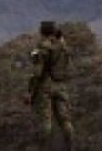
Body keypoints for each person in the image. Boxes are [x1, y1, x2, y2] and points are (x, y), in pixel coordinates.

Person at [24, 20, 74, 150]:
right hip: (61, 86)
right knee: (65, 120)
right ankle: (69, 147)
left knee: (45, 122)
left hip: (46, 86)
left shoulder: (43, 47)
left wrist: (30, 91)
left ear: (42, 31)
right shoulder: (63, 47)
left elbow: (38, 72)